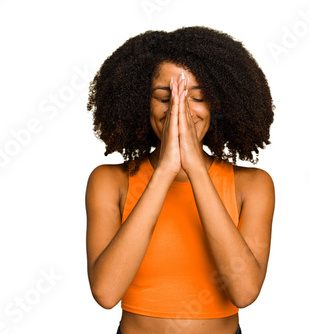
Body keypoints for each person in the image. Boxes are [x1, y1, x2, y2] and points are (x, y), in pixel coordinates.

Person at [85, 26, 275, 334]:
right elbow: (106, 294)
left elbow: (244, 292)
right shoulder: (109, 181)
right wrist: (164, 171)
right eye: (165, 98)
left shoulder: (253, 186)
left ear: (218, 104)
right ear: (139, 102)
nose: (180, 110)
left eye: (197, 97)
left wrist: (196, 169)